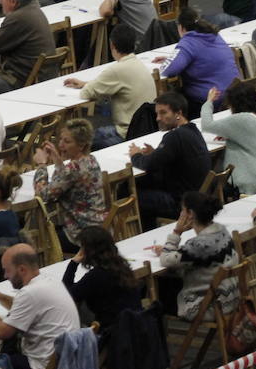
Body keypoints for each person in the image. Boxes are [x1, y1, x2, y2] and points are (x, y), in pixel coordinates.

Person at [0, 244, 81, 369]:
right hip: (65, 364)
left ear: (22, 269)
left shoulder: (30, 293)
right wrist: (0, 297)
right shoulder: (48, 280)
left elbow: (2, 332)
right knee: (6, 352)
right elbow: (25, 307)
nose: (6, 276)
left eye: (7, 271)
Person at [65, 24, 157, 147]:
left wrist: (86, 86)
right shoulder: (138, 64)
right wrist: (84, 83)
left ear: (112, 45)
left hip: (126, 133)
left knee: (79, 141)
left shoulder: (116, 70)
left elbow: (86, 93)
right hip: (147, 129)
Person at [154, 191, 241, 319]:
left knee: (155, 295)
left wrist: (177, 232)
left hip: (208, 306)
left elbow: (165, 260)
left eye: (183, 211)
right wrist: (172, 251)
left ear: (190, 214)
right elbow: (195, 256)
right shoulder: (222, 231)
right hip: (230, 300)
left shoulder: (198, 245)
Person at [132, 92, 213, 224]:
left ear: (178, 113)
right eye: (157, 114)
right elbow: (171, 156)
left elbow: (148, 164)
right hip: (198, 197)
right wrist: (156, 152)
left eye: (163, 113)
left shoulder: (174, 136)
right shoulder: (193, 130)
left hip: (181, 203)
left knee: (133, 197)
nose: (158, 118)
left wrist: (135, 155)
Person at [32, 118, 106, 247]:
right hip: (99, 228)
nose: (60, 145)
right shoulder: (91, 160)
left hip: (80, 235)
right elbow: (66, 179)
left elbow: (43, 194)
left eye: (67, 141)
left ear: (81, 145)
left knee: (36, 240)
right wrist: (58, 161)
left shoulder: (73, 169)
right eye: (60, 139)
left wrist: (41, 164)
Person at [161, 6, 242, 109]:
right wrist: (175, 57)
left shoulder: (188, 42)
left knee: (173, 100)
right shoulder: (215, 35)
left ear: (181, 27)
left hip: (212, 100)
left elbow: (168, 70)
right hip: (235, 93)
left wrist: (171, 60)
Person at [62, 225, 141, 329]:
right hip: (136, 327)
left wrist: (73, 263)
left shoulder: (96, 276)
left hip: (112, 333)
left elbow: (68, 295)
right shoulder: (123, 267)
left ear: (88, 251)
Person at [204, 84, 256, 194]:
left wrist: (209, 101)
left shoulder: (239, 119)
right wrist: (231, 133)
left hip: (248, 178)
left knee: (211, 182)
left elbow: (207, 125)